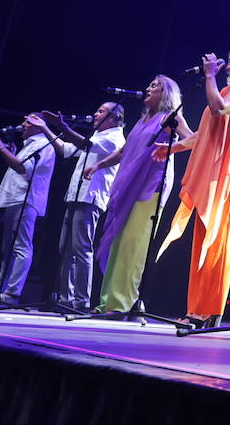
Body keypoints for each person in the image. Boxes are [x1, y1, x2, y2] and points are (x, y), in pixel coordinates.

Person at [155, 39, 230, 328]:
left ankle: (208, 309)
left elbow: (219, 109)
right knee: (202, 242)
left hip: (229, 174)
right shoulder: (225, 89)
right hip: (211, 172)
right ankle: (197, 307)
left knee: (218, 242)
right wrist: (172, 148)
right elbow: (202, 135)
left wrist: (209, 76)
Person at [90, 75, 191, 314]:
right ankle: (107, 302)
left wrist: (170, 149)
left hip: (150, 186)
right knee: (117, 243)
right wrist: (98, 165)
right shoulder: (141, 121)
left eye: (154, 86)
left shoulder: (170, 117)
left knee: (132, 245)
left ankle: (122, 304)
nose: (148, 88)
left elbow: (192, 139)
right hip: (128, 185)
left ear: (166, 93)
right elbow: (123, 152)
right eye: (149, 85)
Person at [42, 103, 127, 311]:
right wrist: (46, 128)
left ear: (113, 117)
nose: (95, 114)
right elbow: (67, 149)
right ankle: (66, 299)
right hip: (76, 196)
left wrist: (64, 127)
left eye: (100, 111)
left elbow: (86, 145)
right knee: (66, 248)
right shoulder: (97, 135)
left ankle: (81, 301)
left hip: (90, 198)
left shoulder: (115, 137)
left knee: (81, 249)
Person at [0, 113, 65, 304]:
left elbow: (23, 169)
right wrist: (10, 153)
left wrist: (1, 148)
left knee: (21, 246)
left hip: (25, 200)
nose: (23, 125)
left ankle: (12, 293)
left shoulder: (42, 144)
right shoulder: (30, 145)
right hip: (16, 199)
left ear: (38, 125)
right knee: (8, 247)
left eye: (27, 122)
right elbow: (21, 167)